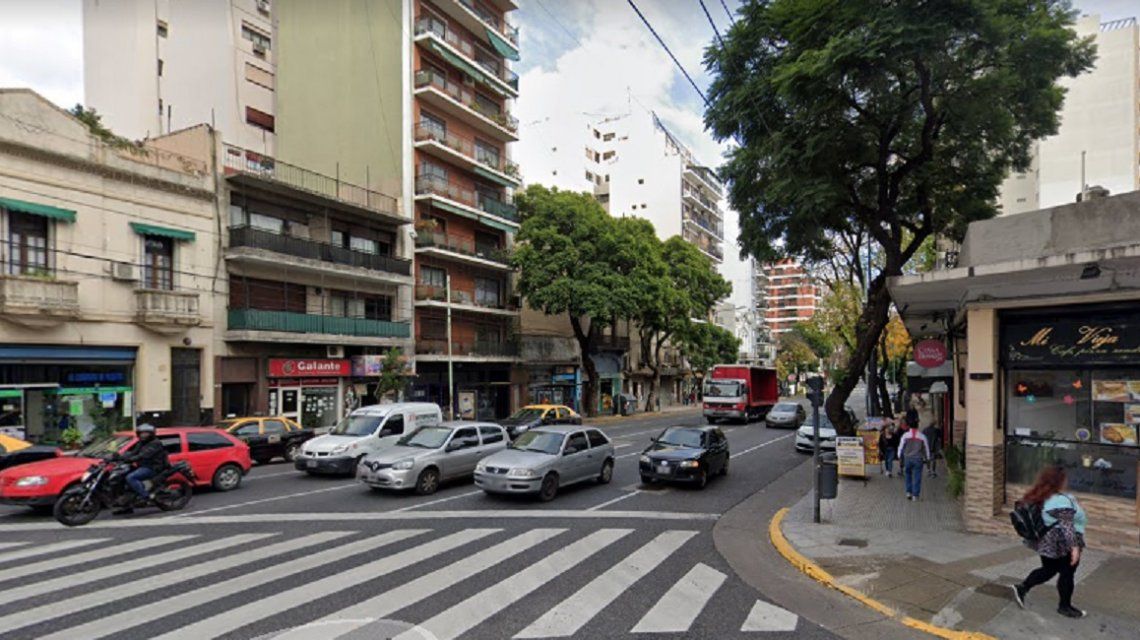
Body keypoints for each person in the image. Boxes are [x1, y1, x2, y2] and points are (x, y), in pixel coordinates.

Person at [1011, 466, 1087, 618]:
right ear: (1059, 481)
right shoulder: (1059, 501)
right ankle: (1064, 606)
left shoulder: (1041, 495)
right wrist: (1075, 548)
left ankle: (1022, 588)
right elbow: (1067, 527)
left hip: (1047, 543)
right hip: (1062, 544)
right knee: (1067, 574)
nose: (1067, 481)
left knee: (1049, 570)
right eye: (1064, 479)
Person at [115, 423, 169, 514]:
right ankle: (127, 506)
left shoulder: (155, 443)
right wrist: (118, 456)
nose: (143, 435)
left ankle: (146, 496)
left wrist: (131, 459)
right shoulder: (141, 443)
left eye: (146, 433)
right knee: (121, 477)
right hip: (142, 466)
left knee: (131, 477)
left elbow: (144, 455)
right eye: (141, 433)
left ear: (151, 433)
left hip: (152, 467)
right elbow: (133, 452)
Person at [897, 410, 930, 500]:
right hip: (918, 459)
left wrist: (899, 456)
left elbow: (900, 447)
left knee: (908, 475)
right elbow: (926, 448)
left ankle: (908, 492)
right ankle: (915, 495)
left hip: (907, 458)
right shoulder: (922, 436)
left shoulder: (905, 436)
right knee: (917, 476)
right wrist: (928, 458)